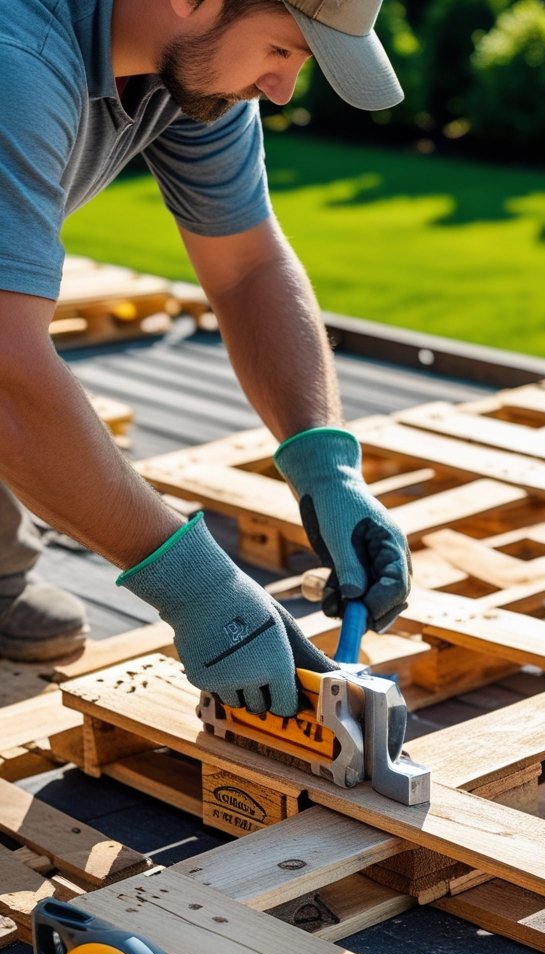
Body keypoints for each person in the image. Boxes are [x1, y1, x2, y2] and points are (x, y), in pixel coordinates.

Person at [0, 0, 411, 716]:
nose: (282, 89)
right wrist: (195, 586)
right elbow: (7, 374)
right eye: (281, 50)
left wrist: (324, 462)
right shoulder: (18, 62)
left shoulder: (192, 74)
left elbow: (247, 267)